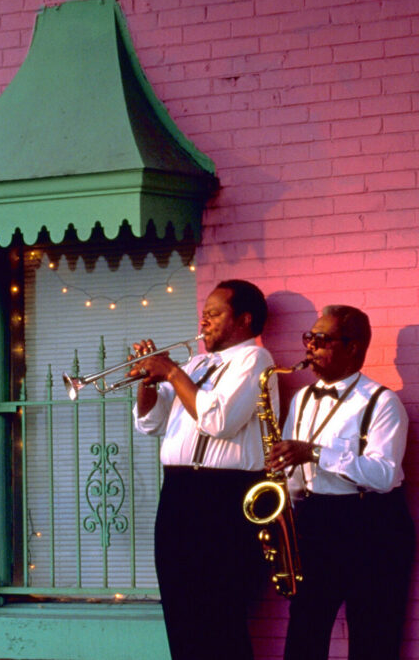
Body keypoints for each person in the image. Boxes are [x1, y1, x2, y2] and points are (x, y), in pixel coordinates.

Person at [130, 279, 274, 660]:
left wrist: (171, 372)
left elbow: (219, 420)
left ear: (244, 320)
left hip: (225, 496)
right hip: (178, 493)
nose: (204, 321)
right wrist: (147, 380)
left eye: (214, 313)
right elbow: (150, 423)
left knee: (221, 615)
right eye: (204, 313)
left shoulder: (255, 360)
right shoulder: (195, 364)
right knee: (180, 612)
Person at [267, 305, 413, 660]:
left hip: (374, 523)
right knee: (304, 634)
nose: (310, 346)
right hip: (316, 519)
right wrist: (285, 517)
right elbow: (293, 470)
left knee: (374, 639)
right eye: (309, 337)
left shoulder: (384, 402)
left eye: (322, 339)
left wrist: (315, 452)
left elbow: (384, 475)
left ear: (353, 347)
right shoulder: (302, 399)